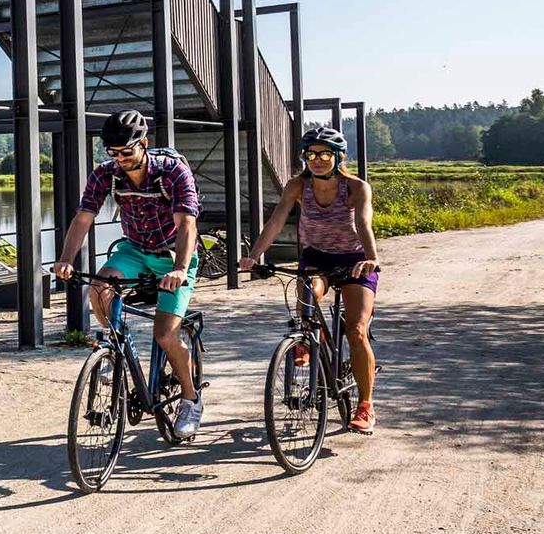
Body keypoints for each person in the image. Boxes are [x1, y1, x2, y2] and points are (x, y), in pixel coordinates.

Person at [51, 109, 205, 441]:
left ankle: (191, 400)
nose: (119, 159)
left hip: (172, 255)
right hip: (134, 249)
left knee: (165, 335)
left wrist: (179, 268)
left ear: (144, 144)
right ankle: (114, 345)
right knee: (99, 285)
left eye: (127, 152)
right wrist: (65, 259)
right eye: (113, 153)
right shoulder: (106, 174)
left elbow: (187, 224)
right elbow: (83, 219)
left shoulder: (172, 172)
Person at [239, 123, 380, 434]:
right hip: (316, 258)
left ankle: (365, 407)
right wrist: (255, 256)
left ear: (339, 156)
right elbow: (275, 223)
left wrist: (371, 257)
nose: (317, 160)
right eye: (311, 154)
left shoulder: (356, 187)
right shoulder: (297, 185)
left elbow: (363, 222)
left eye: (325, 154)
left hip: (355, 261)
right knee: (306, 294)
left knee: (356, 330)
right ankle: (307, 340)